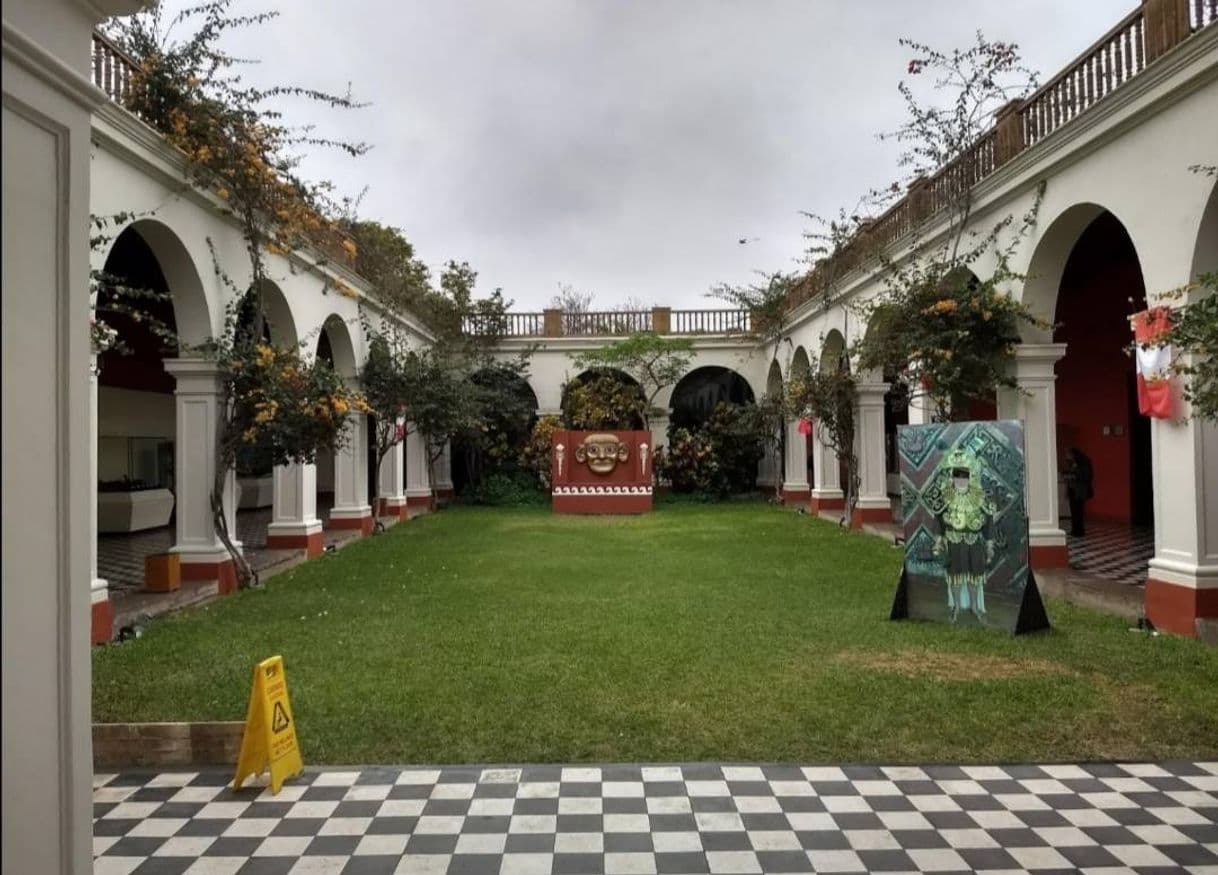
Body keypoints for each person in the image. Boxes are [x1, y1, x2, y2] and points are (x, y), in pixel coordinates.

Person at [1064, 447, 1094, 537]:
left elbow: (1086, 476)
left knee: (1078, 511)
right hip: (1072, 490)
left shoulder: (1084, 463)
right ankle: (1074, 530)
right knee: (1073, 511)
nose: (1067, 457)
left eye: (1069, 454)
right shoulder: (1072, 464)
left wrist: (1074, 476)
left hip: (1079, 490)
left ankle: (1079, 531)